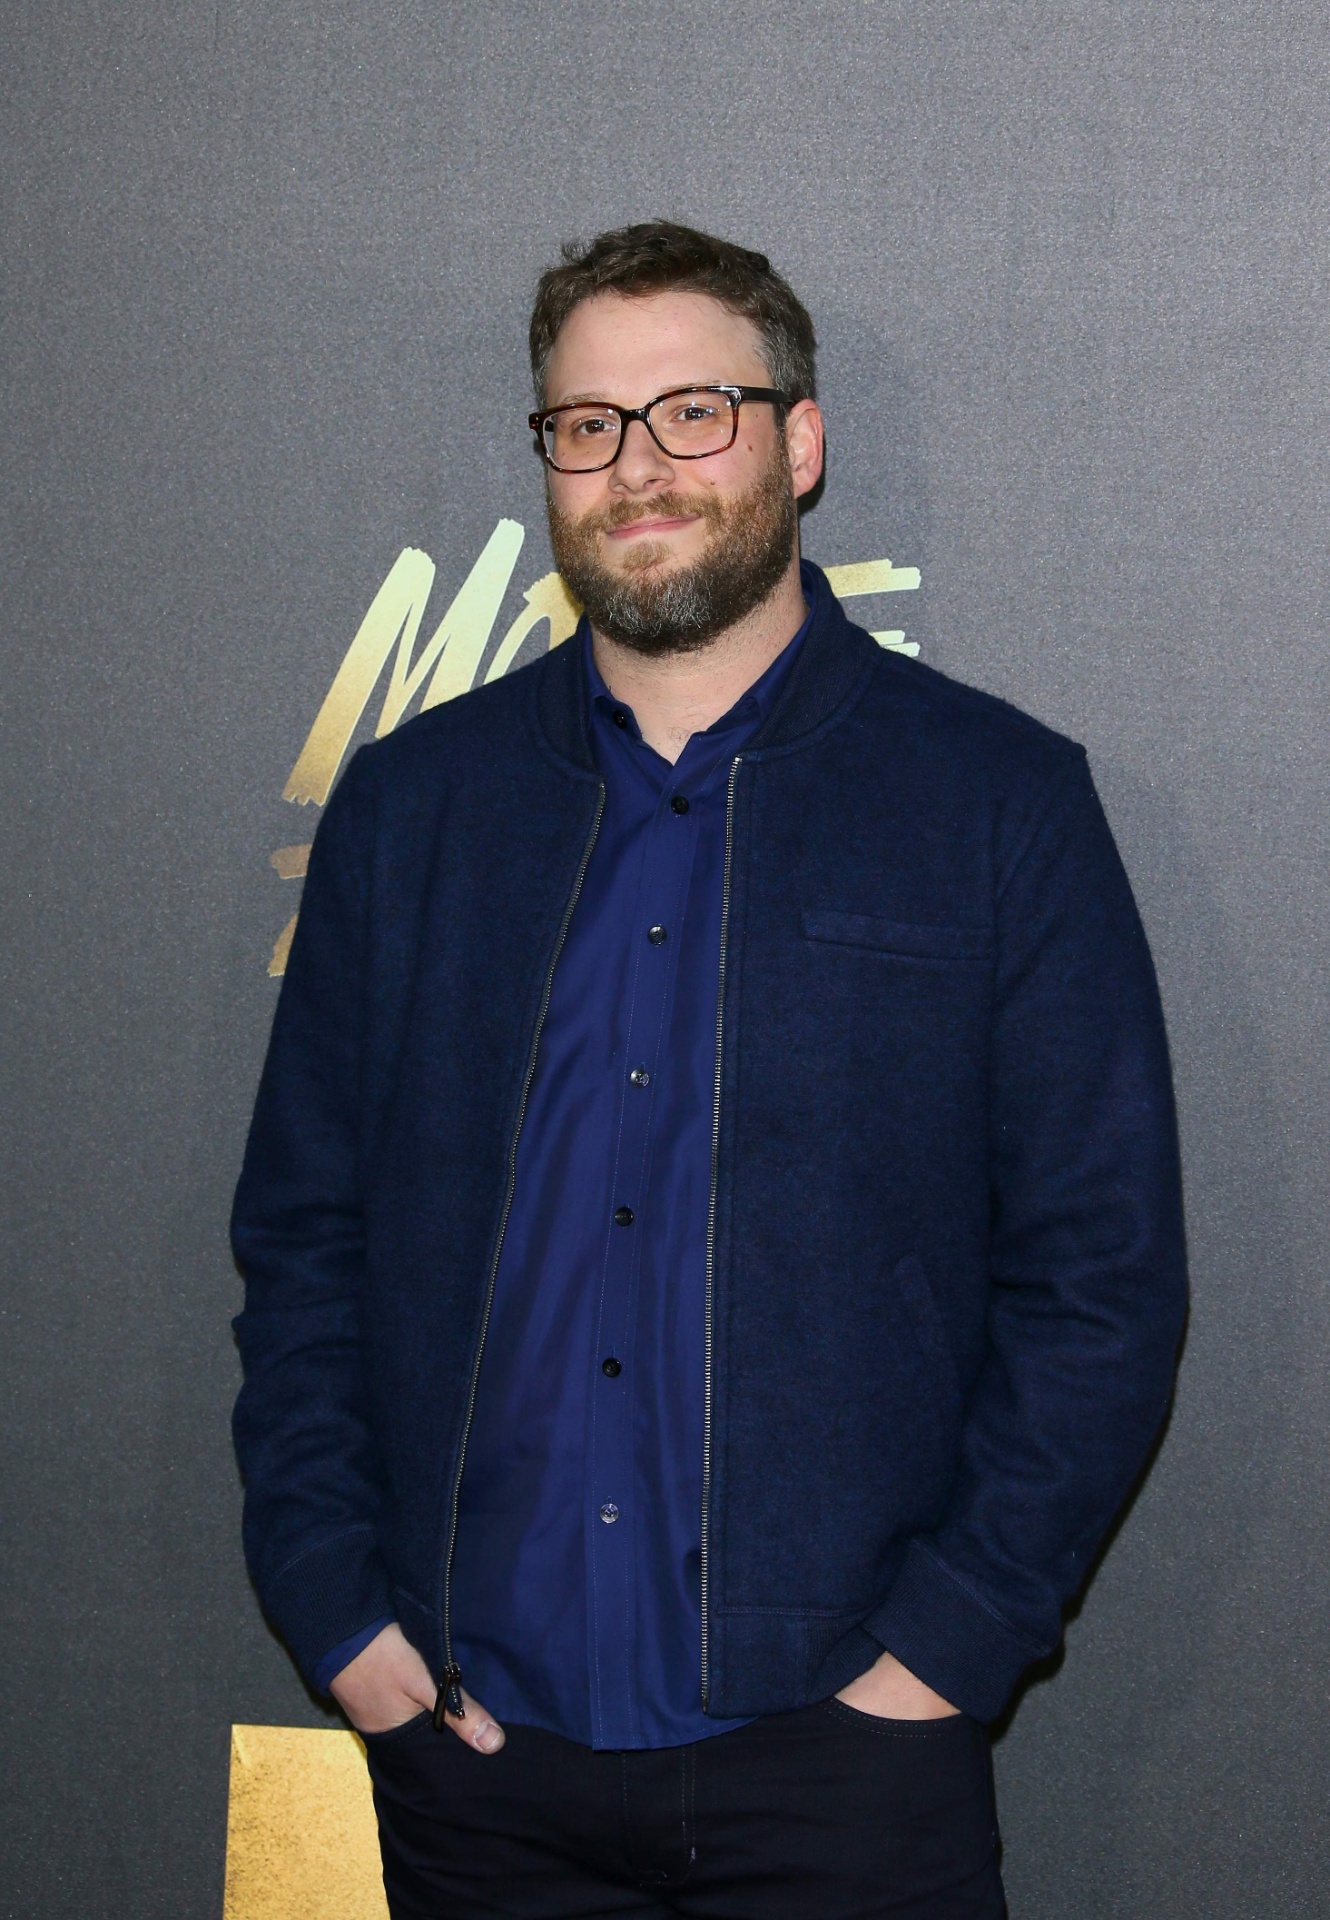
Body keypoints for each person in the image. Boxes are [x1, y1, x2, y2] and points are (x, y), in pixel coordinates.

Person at [231, 221, 1186, 1918]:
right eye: (586, 424)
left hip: (844, 1765)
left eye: (694, 410)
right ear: (547, 461)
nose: (637, 466)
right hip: (478, 1759)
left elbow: (1099, 1282)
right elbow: (306, 1238)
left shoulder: (995, 805)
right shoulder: (412, 812)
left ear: (798, 443)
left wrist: (937, 1660)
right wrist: (339, 1609)